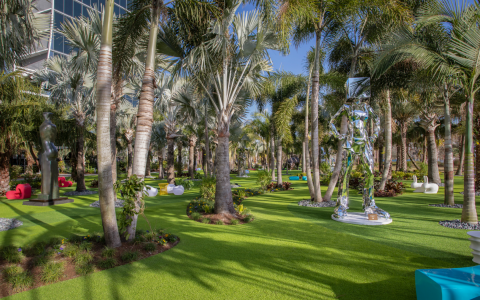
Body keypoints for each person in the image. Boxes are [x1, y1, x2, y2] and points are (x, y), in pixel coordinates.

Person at [330, 78, 390, 220]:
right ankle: (342, 204)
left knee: (369, 172)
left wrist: (374, 135)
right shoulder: (347, 107)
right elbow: (331, 122)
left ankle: (370, 205)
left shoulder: (367, 108)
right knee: (346, 173)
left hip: (365, 142)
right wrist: (339, 136)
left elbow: (378, 121)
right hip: (351, 142)